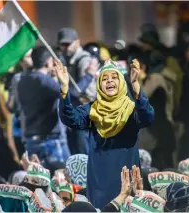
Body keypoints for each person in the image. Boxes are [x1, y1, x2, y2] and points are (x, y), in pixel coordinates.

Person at [55, 58, 154, 208]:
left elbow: (148, 117)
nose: (109, 81)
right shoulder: (92, 110)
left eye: (114, 77)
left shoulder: (132, 109)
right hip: (99, 184)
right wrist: (64, 88)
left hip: (127, 181)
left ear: (122, 82)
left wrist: (135, 85)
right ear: (99, 85)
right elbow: (70, 119)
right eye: (104, 79)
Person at [58, 27, 98, 155]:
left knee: (84, 155)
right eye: (62, 44)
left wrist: (89, 75)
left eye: (68, 44)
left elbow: (78, 91)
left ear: (77, 42)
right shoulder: (66, 60)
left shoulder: (83, 60)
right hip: (76, 114)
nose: (65, 47)